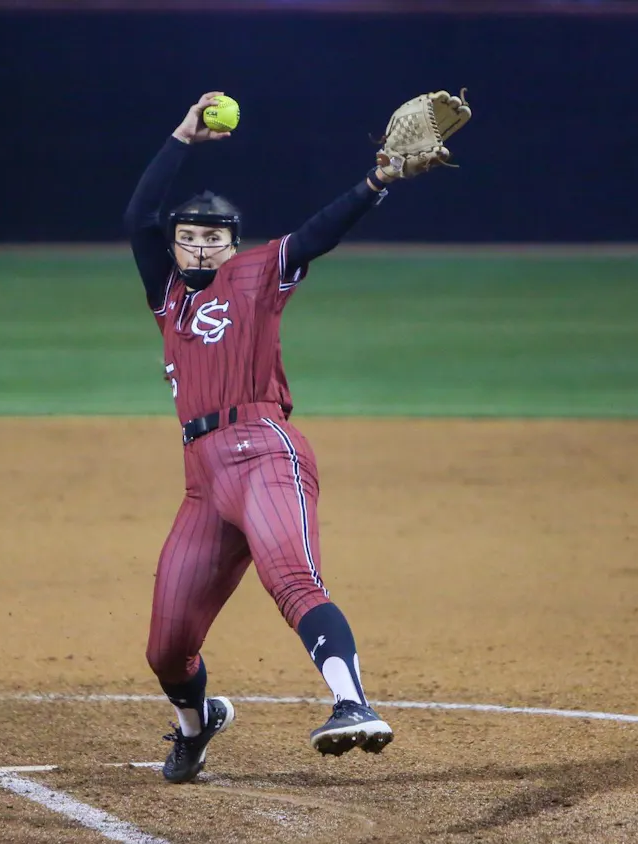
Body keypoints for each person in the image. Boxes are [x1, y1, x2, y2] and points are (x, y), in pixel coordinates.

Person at [123, 91, 411, 785]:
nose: (198, 244)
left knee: (293, 579)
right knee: (167, 649)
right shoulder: (168, 300)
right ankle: (197, 726)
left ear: (232, 242)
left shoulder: (255, 275)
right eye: (187, 235)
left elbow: (318, 232)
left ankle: (351, 703)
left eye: (212, 236)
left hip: (263, 452)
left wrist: (376, 182)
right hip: (202, 483)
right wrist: (182, 138)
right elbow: (139, 216)